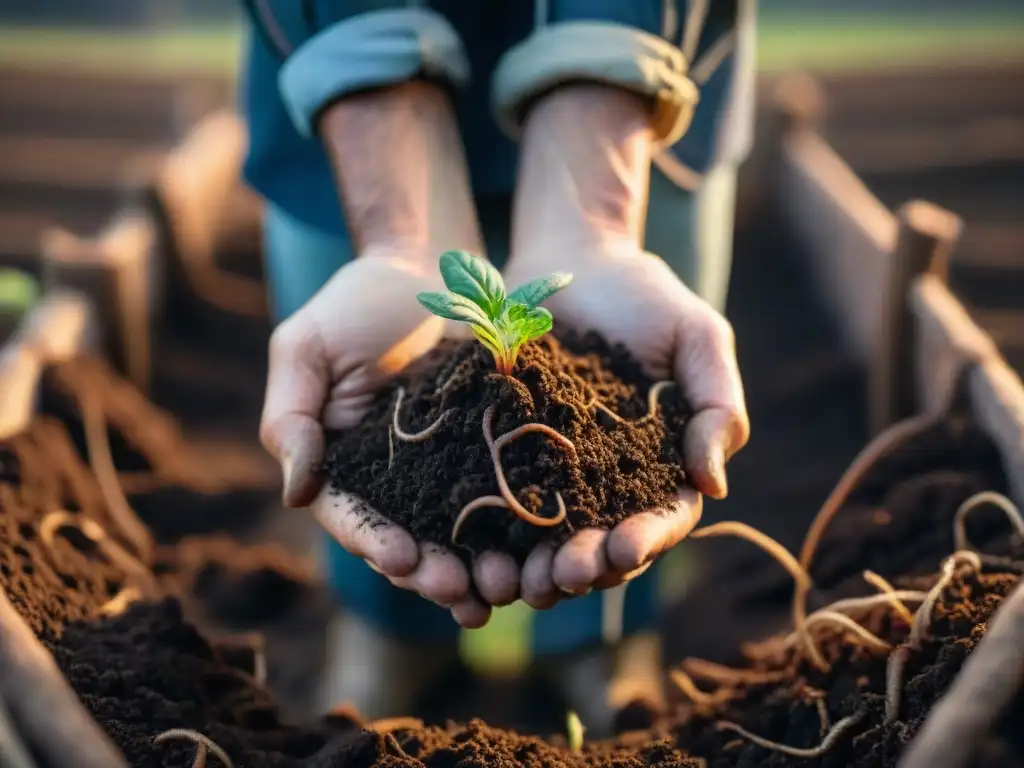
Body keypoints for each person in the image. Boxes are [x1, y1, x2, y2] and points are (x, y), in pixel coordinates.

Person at [240, 0, 755, 736]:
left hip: (646, 85)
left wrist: (596, 221)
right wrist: (403, 235)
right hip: (338, 99)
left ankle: (602, 643)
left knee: (621, 472)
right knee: (367, 397)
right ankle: (386, 630)